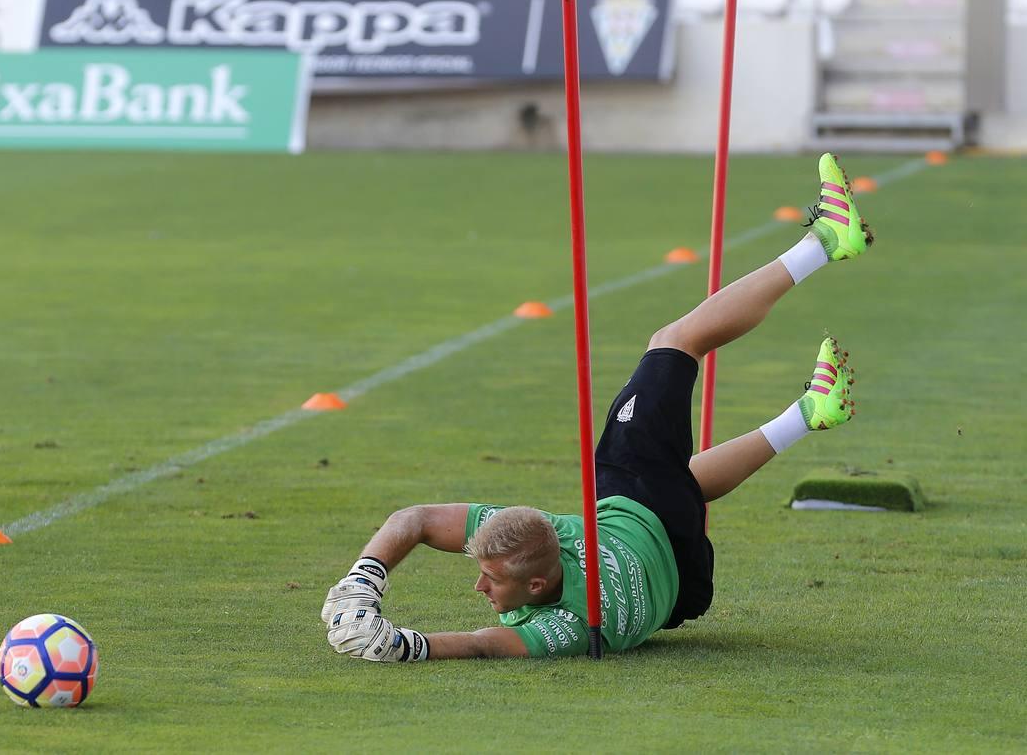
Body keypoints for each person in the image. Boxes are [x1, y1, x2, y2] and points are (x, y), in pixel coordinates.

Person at [321, 154, 873, 661]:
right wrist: (397, 639)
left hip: (684, 589)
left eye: (487, 575)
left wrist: (369, 595)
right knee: (674, 342)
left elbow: (436, 561)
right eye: (487, 575)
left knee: (669, 476)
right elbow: (460, 608)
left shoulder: (568, 618)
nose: (480, 587)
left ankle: (812, 408)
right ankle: (823, 243)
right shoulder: (558, 570)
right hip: (641, 532)